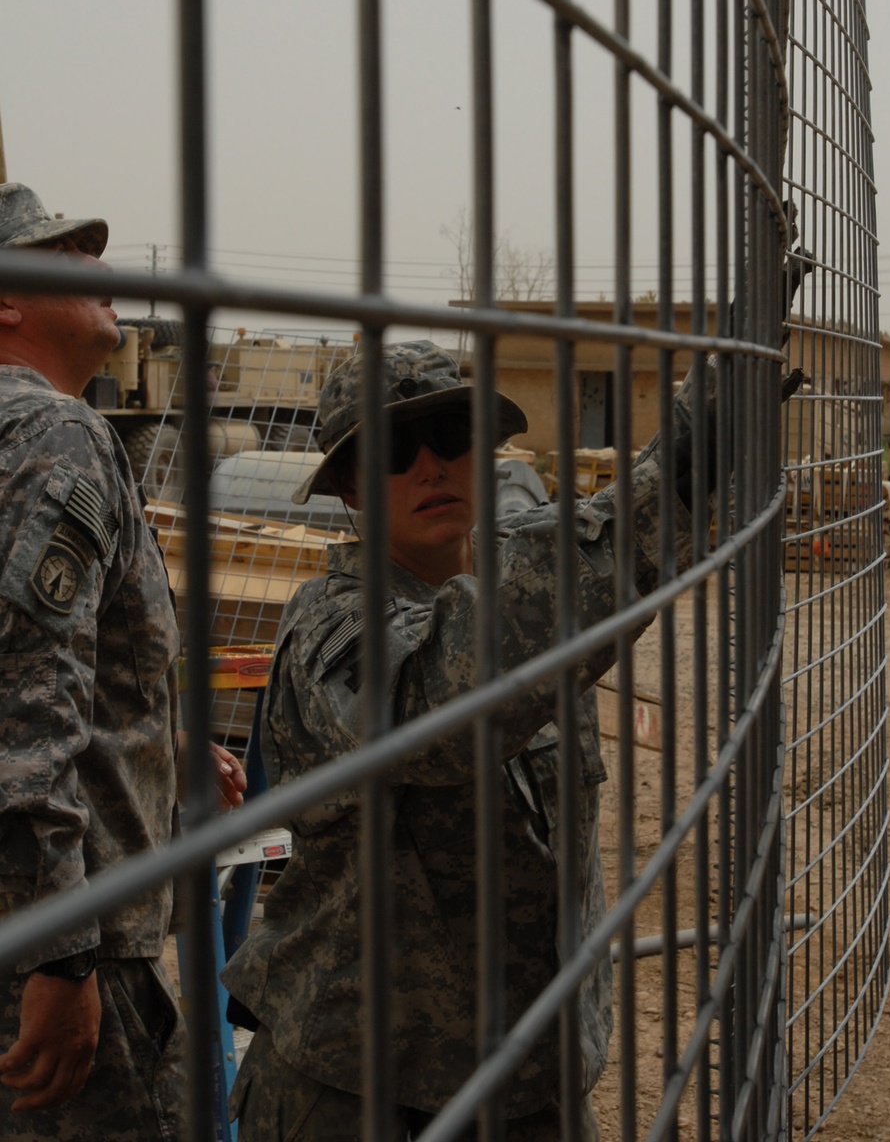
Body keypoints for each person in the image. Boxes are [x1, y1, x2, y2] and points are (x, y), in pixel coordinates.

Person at [222, 339, 702, 1141]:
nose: (429, 468)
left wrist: (712, 416)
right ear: (347, 488)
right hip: (366, 1092)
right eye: (390, 450)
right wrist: (689, 461)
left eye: (451, 435)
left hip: (532, 1081)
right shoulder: (330, 627)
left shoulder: (516, 578)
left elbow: (587, 544)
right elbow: (459, 687)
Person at [0, 181, 246, 1141]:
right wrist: (61, 961)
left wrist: (159, 745)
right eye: (67, 256)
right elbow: (21, 714)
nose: (101, 269)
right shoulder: (55, 435)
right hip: (62, 936)